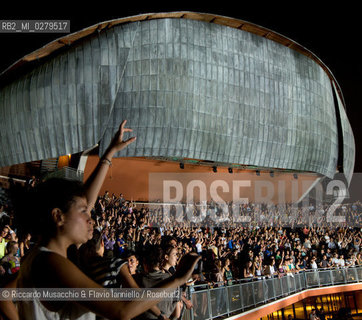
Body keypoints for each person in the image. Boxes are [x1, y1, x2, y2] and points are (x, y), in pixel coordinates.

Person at [3, 120, 200, 320]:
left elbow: (3, 296)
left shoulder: (42, 256)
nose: (91, 219)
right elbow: (122, 311)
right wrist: (177, 279)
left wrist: (108, 156)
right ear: (58, 217)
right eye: (84, 212)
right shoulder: (50, 261)